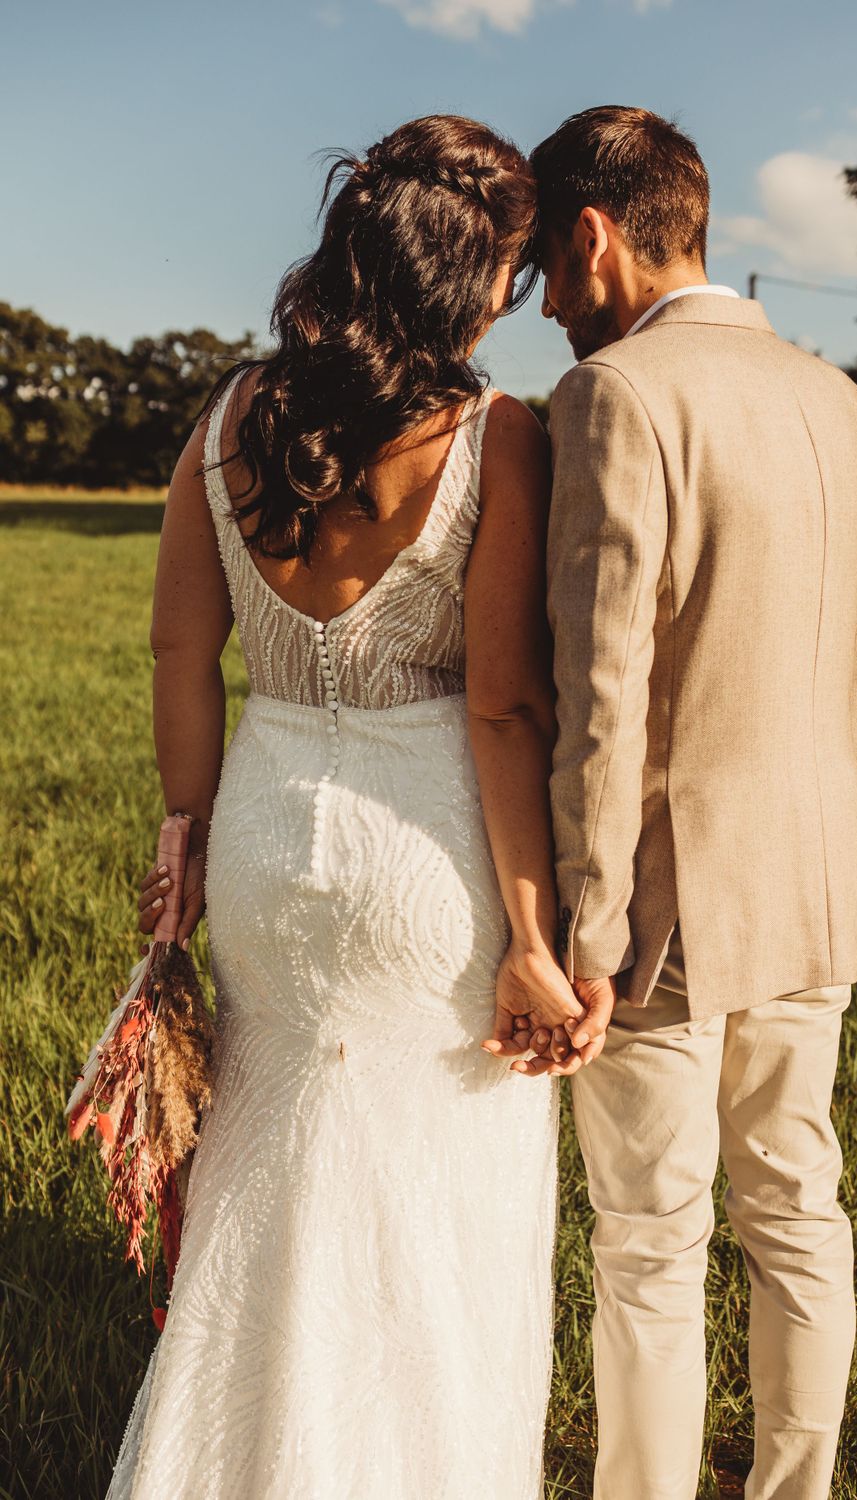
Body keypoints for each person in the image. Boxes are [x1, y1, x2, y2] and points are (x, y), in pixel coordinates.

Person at [107, 114, 583, 1500]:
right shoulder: (497, 435)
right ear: (473, 275)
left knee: (272, 1174)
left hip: (263, 830)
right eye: (517, 266)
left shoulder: (229, 415)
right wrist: (536, 939)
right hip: (427, 846)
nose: (521, 294)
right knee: (438, 1201)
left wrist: (183, 833)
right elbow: (503, 706)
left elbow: (176, 651)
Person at [524, 105, 857, 1500]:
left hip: (669, 902)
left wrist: (591, 929)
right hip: (820, 872)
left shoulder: (617, 398)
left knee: (650, 1241)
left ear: (595, 237)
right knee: (800, 1209)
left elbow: (605, 692)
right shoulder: (844, 403)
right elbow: (856, 678)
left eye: (553, 276)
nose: (553, 308)